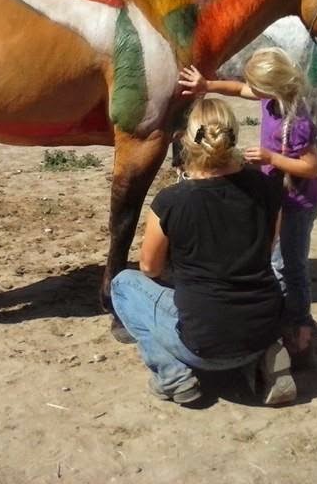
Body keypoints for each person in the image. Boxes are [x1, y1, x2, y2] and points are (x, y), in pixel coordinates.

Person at [110, 97, 296, 406]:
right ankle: (265, 356)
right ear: (233, 135)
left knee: (123, 285)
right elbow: (268, 248)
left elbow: (149, 268)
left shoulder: (171, 201)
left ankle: (173, 374)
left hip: (202, 344)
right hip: (263, 327)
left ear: (187, 140)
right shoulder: (268, 188)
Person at [178, 47, 317, 367]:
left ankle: (301, 326)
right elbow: (238, 89)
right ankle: (286, 318)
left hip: (298, 204)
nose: (250, 90)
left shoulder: (297, 121)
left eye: (256, 86)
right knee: (276, 260)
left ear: (273, 87)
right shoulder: (270, 99)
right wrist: (207, 85)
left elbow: (311, 168)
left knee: (291, 266)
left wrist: (272, 159)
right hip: (278, 198)